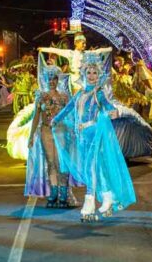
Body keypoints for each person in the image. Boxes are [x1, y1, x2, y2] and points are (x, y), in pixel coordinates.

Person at [52, 50, 136, 222]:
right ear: (83, 74)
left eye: (94, 73)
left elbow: (108, 106)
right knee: (94, 168)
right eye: (88, 72)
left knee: (91, 167)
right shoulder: (79, 94)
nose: (91, 76)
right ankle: (107, 196)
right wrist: (55, 120)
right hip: (81, 138)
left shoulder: (98, 93)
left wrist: (115, 112)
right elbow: (67, 109)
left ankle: (89, 201)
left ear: (99, 75)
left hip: (94, 135)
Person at [26, 60, 71, 207]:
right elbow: (36, 117)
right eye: (49, 79)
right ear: (46, 80)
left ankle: (63, 194)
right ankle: (53, 193)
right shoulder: (40, 96)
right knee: (51, 163)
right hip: (45, 131)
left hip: (61, 131)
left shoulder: (64, 97)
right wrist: (31, 136)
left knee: (61, 163)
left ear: (58, 80)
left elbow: (71, 116)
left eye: (54, 78)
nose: (51, 81)